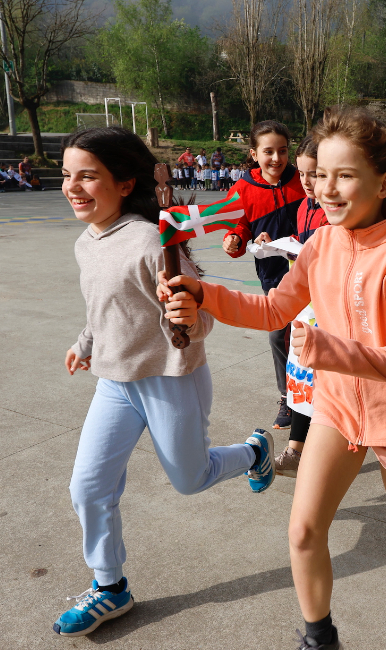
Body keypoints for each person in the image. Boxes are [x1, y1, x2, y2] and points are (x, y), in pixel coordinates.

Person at [162, 106, 386, 650]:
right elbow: (272, 309)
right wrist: (204, 294)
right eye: (321, 175)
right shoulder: (320, 244)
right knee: (302, 530)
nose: (328, 188)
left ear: (384, 183)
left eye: (346, 175)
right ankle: (320, 639)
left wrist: (329, 349)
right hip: (337, 409)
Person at [52, 126, 275, 638]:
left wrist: (189, 316)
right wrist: (84, 344)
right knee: (87, 487)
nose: (73, 187)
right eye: (67, 175)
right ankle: (110, 587)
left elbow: (201, 317)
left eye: (88, 176)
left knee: (190, 480)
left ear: (125, 183)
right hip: (115, 383)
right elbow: (103, 308)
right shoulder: (87, 242)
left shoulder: (156, 240)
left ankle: (252, 451)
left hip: (171, 380)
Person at [221, 120, 306, 431]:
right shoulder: (243, 189)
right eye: (268, 151)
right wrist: (235, 240)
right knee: (278, 334)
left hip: (308, 270)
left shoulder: (302, 181)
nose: (276, 158)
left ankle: (318, 396)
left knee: (313, 332)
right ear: (254, 154)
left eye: (283, 151)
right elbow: (238, 226)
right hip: (273, 276)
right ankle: (287, 396)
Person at [273, 134, 330, 479]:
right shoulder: (303, 207)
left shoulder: (336, 210)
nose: (308, 182)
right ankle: (297, 449)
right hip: (307, 303)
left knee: (323, 376)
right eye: (304, 174)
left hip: (331, 309)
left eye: (317, 174)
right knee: (306, 374)